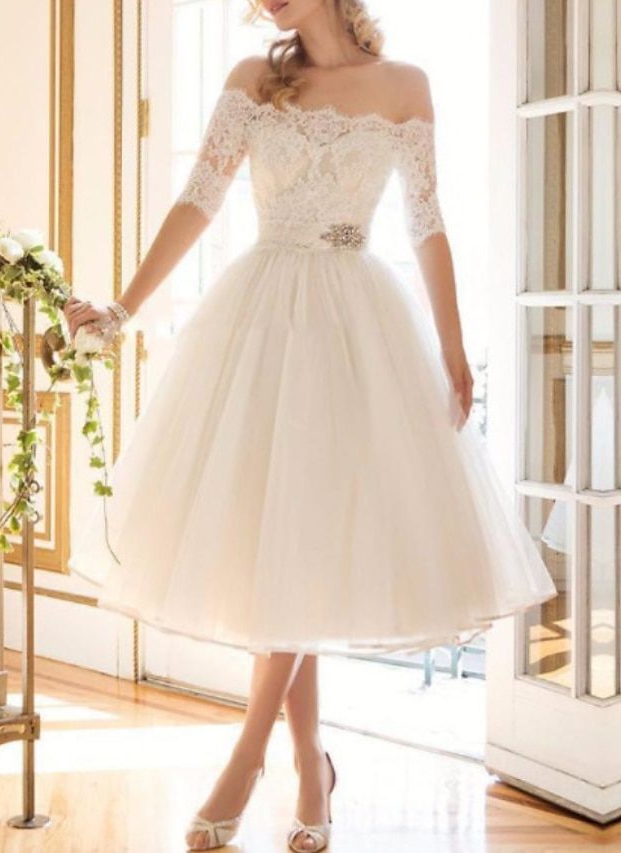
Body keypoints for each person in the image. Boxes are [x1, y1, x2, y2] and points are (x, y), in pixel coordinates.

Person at [65, 1, 558, 850]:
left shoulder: (407, 87)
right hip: (259, 321)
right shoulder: (257, 80)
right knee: (288, 551)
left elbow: (427, 223)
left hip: (357, 325)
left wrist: (452, 347)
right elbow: (199, 199)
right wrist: (122, 306)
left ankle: (251, 758)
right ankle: (306, 768)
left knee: (310, 542)